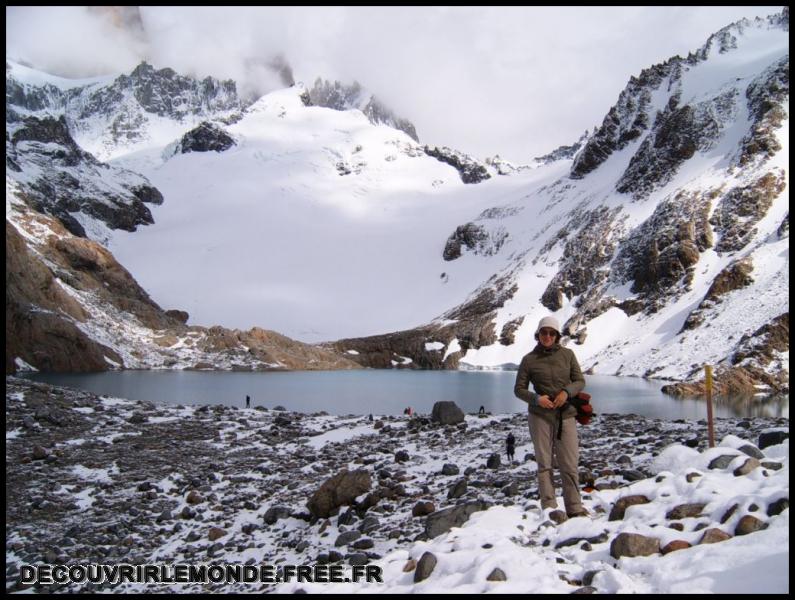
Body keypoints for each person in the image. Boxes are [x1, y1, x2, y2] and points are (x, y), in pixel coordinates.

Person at [514, 316, 588, 518]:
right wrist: (537, 399)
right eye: (543, 332)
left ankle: (574, 507)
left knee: (569, 463)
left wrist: (566, 392)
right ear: (538, 335)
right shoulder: (529, 360)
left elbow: (579, 381)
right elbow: (519, 390)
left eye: (551, 333)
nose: (547, 336)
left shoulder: (568, 355)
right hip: (540, 416)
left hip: (566, 415)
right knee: (544, 463)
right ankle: (550, 508)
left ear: (557, 336)